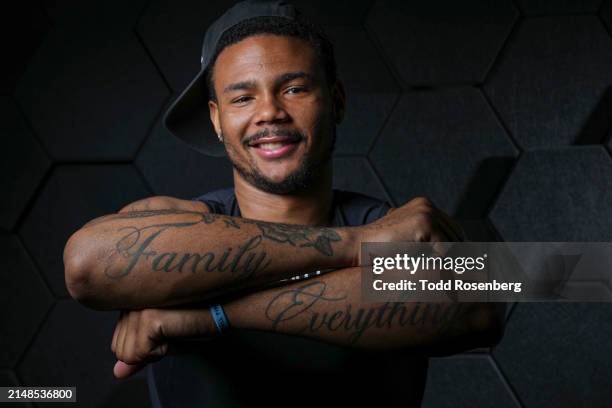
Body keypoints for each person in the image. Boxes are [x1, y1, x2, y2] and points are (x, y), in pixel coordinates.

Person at [63, 1, 505, 406]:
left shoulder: (397, 224)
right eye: (242, 97)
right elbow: (87, 263)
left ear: (337, 102)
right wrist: (356, 246)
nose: (269, 111)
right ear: (217, 120)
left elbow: (487, 303)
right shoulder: (188, 221)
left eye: (293, 89)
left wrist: (212, 315)